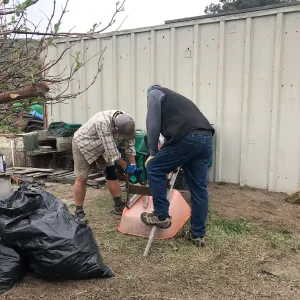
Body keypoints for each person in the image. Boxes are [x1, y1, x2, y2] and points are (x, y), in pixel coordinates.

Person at [141, 85, 215, 247]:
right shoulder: (179, 101)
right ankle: (197, 234)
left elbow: (152, 125)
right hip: (206, 138)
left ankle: (161, 216)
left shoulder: (154, 93)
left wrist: (153, 152)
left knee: (154, 167)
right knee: (198, 189)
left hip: (188, 138)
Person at [72, 110, 141, 223]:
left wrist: (133, 164)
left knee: (111, 172)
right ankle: (79, 211)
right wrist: (126, 167)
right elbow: (112, 152)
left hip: (104, 146)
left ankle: (118, 205)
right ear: (117, 129)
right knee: (82, 177)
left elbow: (130, 144)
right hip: (84, 144)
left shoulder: (127, 121)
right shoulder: (102, 123)